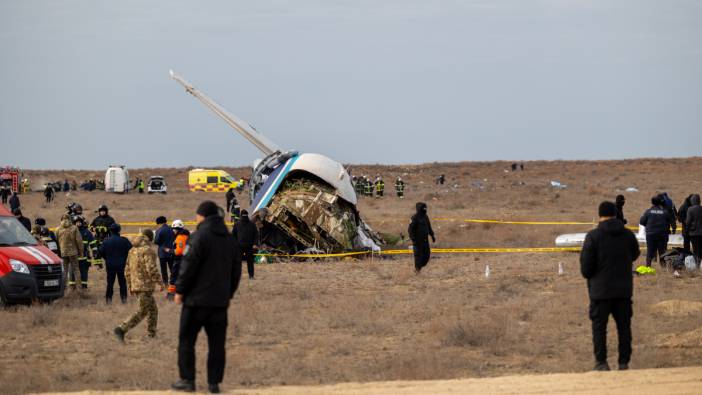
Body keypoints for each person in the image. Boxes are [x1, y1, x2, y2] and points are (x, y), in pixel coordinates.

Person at [172, 201, 242, 393]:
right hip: (219, 302)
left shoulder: (198, 237)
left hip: (195, 301)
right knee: (217, 345)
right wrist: (228, 294)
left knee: (186, 340)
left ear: (202, 216)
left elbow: (188, 266)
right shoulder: (229, 240)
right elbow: (236, 271)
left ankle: (187, 380)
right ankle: (214, 383)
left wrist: (180, 291)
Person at [580, 201, 640, 371]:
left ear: (600, 215)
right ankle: (623, 362)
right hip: (623, 290)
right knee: (624, 328)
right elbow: (635, 254)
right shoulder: (628, 235)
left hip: (600, 292)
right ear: (615, 214)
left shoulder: (593, 236)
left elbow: (585, 269)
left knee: (599, 328)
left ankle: (601, 362)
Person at [114, 229, 163, 342]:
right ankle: (121, 329)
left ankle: (151, 335)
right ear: (150, 238)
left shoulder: (132, 250)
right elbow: (151, 268)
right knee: (143, 311)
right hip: (145, 286)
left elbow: (127, 270)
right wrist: (159, 282)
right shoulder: (148, 250)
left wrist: (130, 285)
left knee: (153, 310)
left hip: (137, 286)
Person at [100, 223, 132, 304]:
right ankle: (124, 300)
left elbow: (101, 252)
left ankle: (108, 300)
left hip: (110, 264)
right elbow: (131, 251)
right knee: (122, 283)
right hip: (122, 264)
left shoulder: (106, 241)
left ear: (110, 230)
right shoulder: (124, 240)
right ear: (119, 230)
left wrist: (107, 258)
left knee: (110, 283)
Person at [640, 196, 675, 267]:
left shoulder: (648, 211)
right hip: (662, 235)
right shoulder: (665, 212)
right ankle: (663, 267)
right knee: (662, 252)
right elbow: (669, 222)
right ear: (660, 203)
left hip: (650, 235)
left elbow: (642, 222)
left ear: (652, 202)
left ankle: (648, 266)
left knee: (650, 252)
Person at [55, 214, 84, 293]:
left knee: (64, 271)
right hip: (73, 253)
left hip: (63, 253)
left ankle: (63, 290)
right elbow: (79, 241)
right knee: (76, 270)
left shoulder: (57, 229)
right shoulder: (74, 228)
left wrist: (58, 252)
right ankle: (79, 289)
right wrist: (81, 252)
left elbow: (56, 242)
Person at [408, 202, 435, 274]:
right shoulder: (414, 218)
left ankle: (419, 267)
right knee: (418, 257)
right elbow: (410, 230)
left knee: (427, 256)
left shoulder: (426, 217)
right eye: (423, 208)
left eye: (425, 208)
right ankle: (417, 270)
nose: (425, 209)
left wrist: (432, 235)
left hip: (425, 240)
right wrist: (413, 239)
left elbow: (429, 227)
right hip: (417, 241)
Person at [232, 209, 258, 280]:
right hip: (239, 247)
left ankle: (251, 276)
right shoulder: (237, 224)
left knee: (250, 262)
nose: (244, 218)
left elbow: (256, 234)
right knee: (238, 263)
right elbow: (233, 235)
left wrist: (255, 244)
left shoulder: (251, 224)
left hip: (249, 247)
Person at [168, 220, 190, 300]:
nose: (173, 231)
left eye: (173, 229)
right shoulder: (185, 236)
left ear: (177, 229)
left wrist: (170, 251)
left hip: (179, 259)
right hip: (185, 259)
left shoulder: (180, 237)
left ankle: (171, 294)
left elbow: (179, 251)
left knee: (174, 276)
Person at [90, 204, 116, 269]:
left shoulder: (110, 219)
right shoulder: (96, 219)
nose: (102, 212)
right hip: (97, 239)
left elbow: (113, 228)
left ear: (106, 211)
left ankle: (110, 264)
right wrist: (92, 228)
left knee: (108, 253)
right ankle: (98, 264)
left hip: (107, 238)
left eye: (104, 211)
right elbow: (90, 226)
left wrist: (104, 229)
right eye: (101, 211)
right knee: (96, 252)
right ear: (99, 212)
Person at [75, 216, 97, 289]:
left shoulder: (87, 232)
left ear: (82, 223)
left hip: (84, 257)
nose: (78, 224)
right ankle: (73, 288)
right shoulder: (72, 231)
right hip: (74, 256)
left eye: (79, 222)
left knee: (84, 273)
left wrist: (94, 252)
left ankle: (84, 287)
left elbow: (93, 243)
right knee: (73, 273)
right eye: (77, 222)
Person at [154, 216, 176, 287]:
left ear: (159, 223)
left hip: (162, 253)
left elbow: (156, 241)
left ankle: (166, 284)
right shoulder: (172, 229)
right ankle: (173, 283)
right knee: (172, 269)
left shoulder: (159, 230)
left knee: (164, 270)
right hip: (171, 252)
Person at [685, 194, 702, 264]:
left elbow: (688, 222)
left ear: (692, 201)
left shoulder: (690, 209)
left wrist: (687, 231)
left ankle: (697, 264)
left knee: (695, 250)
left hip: (694, 233)